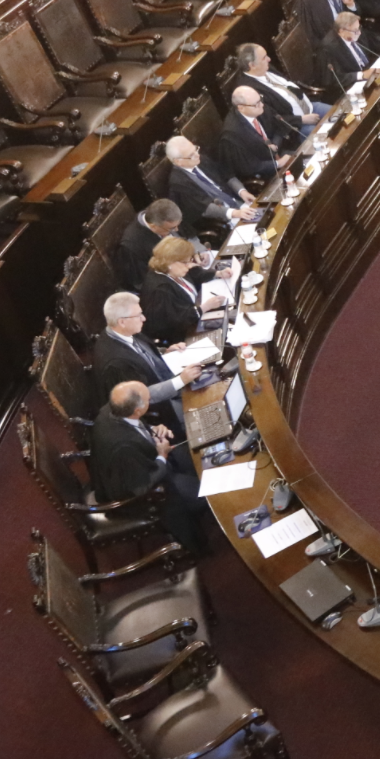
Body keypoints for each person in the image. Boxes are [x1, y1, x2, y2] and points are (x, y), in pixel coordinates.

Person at [91, 382, 205, 553]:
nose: (150, 400)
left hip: (142, 461)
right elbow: (142, 486)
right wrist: (162, 456)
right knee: (205, 492)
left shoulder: (112, 408)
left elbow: (134, 427)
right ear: (137, 410)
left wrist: (152, 429)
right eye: (148, 400)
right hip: (143, 491)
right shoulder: (124, 448)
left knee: (196, 456)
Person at [92, 293, 202, 438]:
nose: (144, 318)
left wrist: (165, 352)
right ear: (122, 322)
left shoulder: (123, 331)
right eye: (138, 315)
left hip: (168, 384)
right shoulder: (116, 363)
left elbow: (142, 355)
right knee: (206, 405)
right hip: (161, 411)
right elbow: (140, 396)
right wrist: (181, 380)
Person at [230, 42, 329, 139]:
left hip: (310, 107)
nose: (269, 59)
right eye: (264, 58)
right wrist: (302, 119)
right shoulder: (250, 90)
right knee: (325, 137)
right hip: (295, 126)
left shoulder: (267, 67)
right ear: (252, 65)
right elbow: (271, 119)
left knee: (338, 115)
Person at [141, 236, 227, 346]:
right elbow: (176, 320)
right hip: (181, 337)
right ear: (170, 262)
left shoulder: (173, 270)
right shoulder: (161, 290)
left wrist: (218, 274)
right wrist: (204, 307)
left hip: (195, 316)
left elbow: (196, 274)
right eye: (185, 262)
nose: (189, 266)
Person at [165, 136, 259, 232]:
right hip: (223, 220)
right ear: (178, 161)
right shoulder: (179, 183)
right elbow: (204, 208)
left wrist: (242, 191)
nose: (197, 155)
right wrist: (236, 213)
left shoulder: (201, 159)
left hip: (239, 203)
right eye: (191, 155)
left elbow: (226, 174)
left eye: (196, 149)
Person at [217, 86, 296, 185]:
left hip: (281, 153)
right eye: (257, 104)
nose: (262, 105)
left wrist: (274, 144)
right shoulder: (232, 134)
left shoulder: (259, 108)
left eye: (260, 99)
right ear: (241, 107)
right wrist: (277, 163)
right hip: (265, 173)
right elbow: (247, 166)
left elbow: (279, 127)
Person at [117, 199, 196, 290]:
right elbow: (142, 282)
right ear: (154, 226)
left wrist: (192, 255)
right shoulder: (132, 246)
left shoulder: (163, 219)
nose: (176, 230)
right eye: (172, 228)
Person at [318, 11, 379, 93]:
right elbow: (334, 79)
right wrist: (362, 75)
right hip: (351, 86)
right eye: (355, 30)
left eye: (359, 28)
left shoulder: (354, 32)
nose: (359, 32)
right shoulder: (328, 48)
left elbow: (376, 41)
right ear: (342, 31)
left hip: (370, 71)